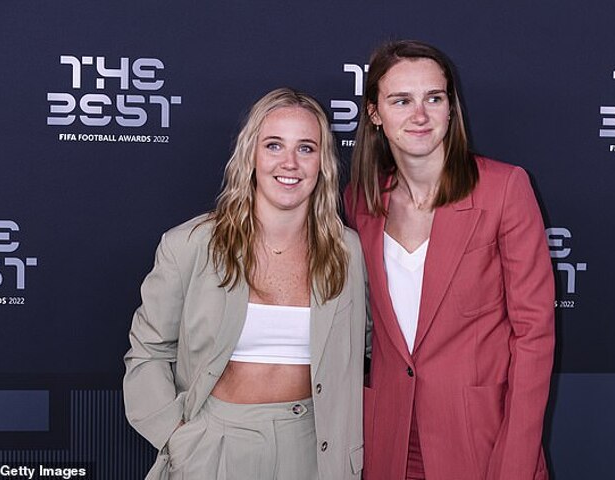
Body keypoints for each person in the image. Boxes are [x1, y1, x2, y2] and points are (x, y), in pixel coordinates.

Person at [124, 88, 366, 480]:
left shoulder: (349, 252)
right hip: (214, 447)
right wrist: (176, 436)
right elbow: (147, 352)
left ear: (322, 162)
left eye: (306, 148)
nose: (290, 163)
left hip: (316, 450)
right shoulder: (190, 245)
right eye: (274, 145)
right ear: (251, 153)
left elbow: (379, 349)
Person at [345, 40, 555, 480]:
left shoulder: (504, 189)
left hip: (481, 439)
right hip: (386, 440)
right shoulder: (360, 200)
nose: (420, 115)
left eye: (434, 98)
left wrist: (516, 461)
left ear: (450, 108)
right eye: (401, 100)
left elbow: (533, 336)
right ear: (375, 113)